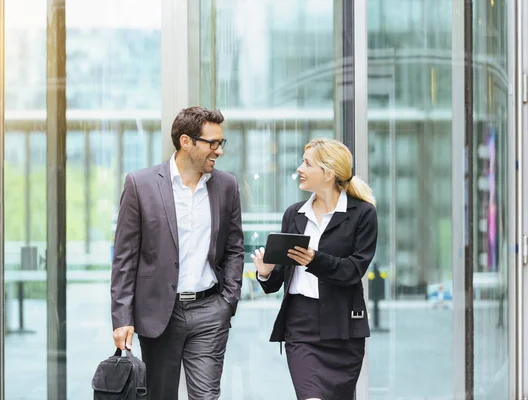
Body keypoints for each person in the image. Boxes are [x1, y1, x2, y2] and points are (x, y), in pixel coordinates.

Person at [111, 106, 245, 400]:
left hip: (210, 309)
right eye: (212, 143)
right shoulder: (140, 184)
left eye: (220, 143)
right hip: (160, 313)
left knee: (206, 396)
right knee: (160, 395)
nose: (218, 150)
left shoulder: (226, 186)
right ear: (186, 142)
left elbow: (235, 248)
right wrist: (122, 317)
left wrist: (228, 300)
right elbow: (124, 258)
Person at [251, 138, 378, 400]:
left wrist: (313, 259)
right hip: (301, 327)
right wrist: (265, 271)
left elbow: (353, 270)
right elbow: (278, 280)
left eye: (307, 163)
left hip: (344, 331)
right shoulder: (294, 214)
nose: (299, 168)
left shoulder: (363, 214)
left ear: (329, 173)